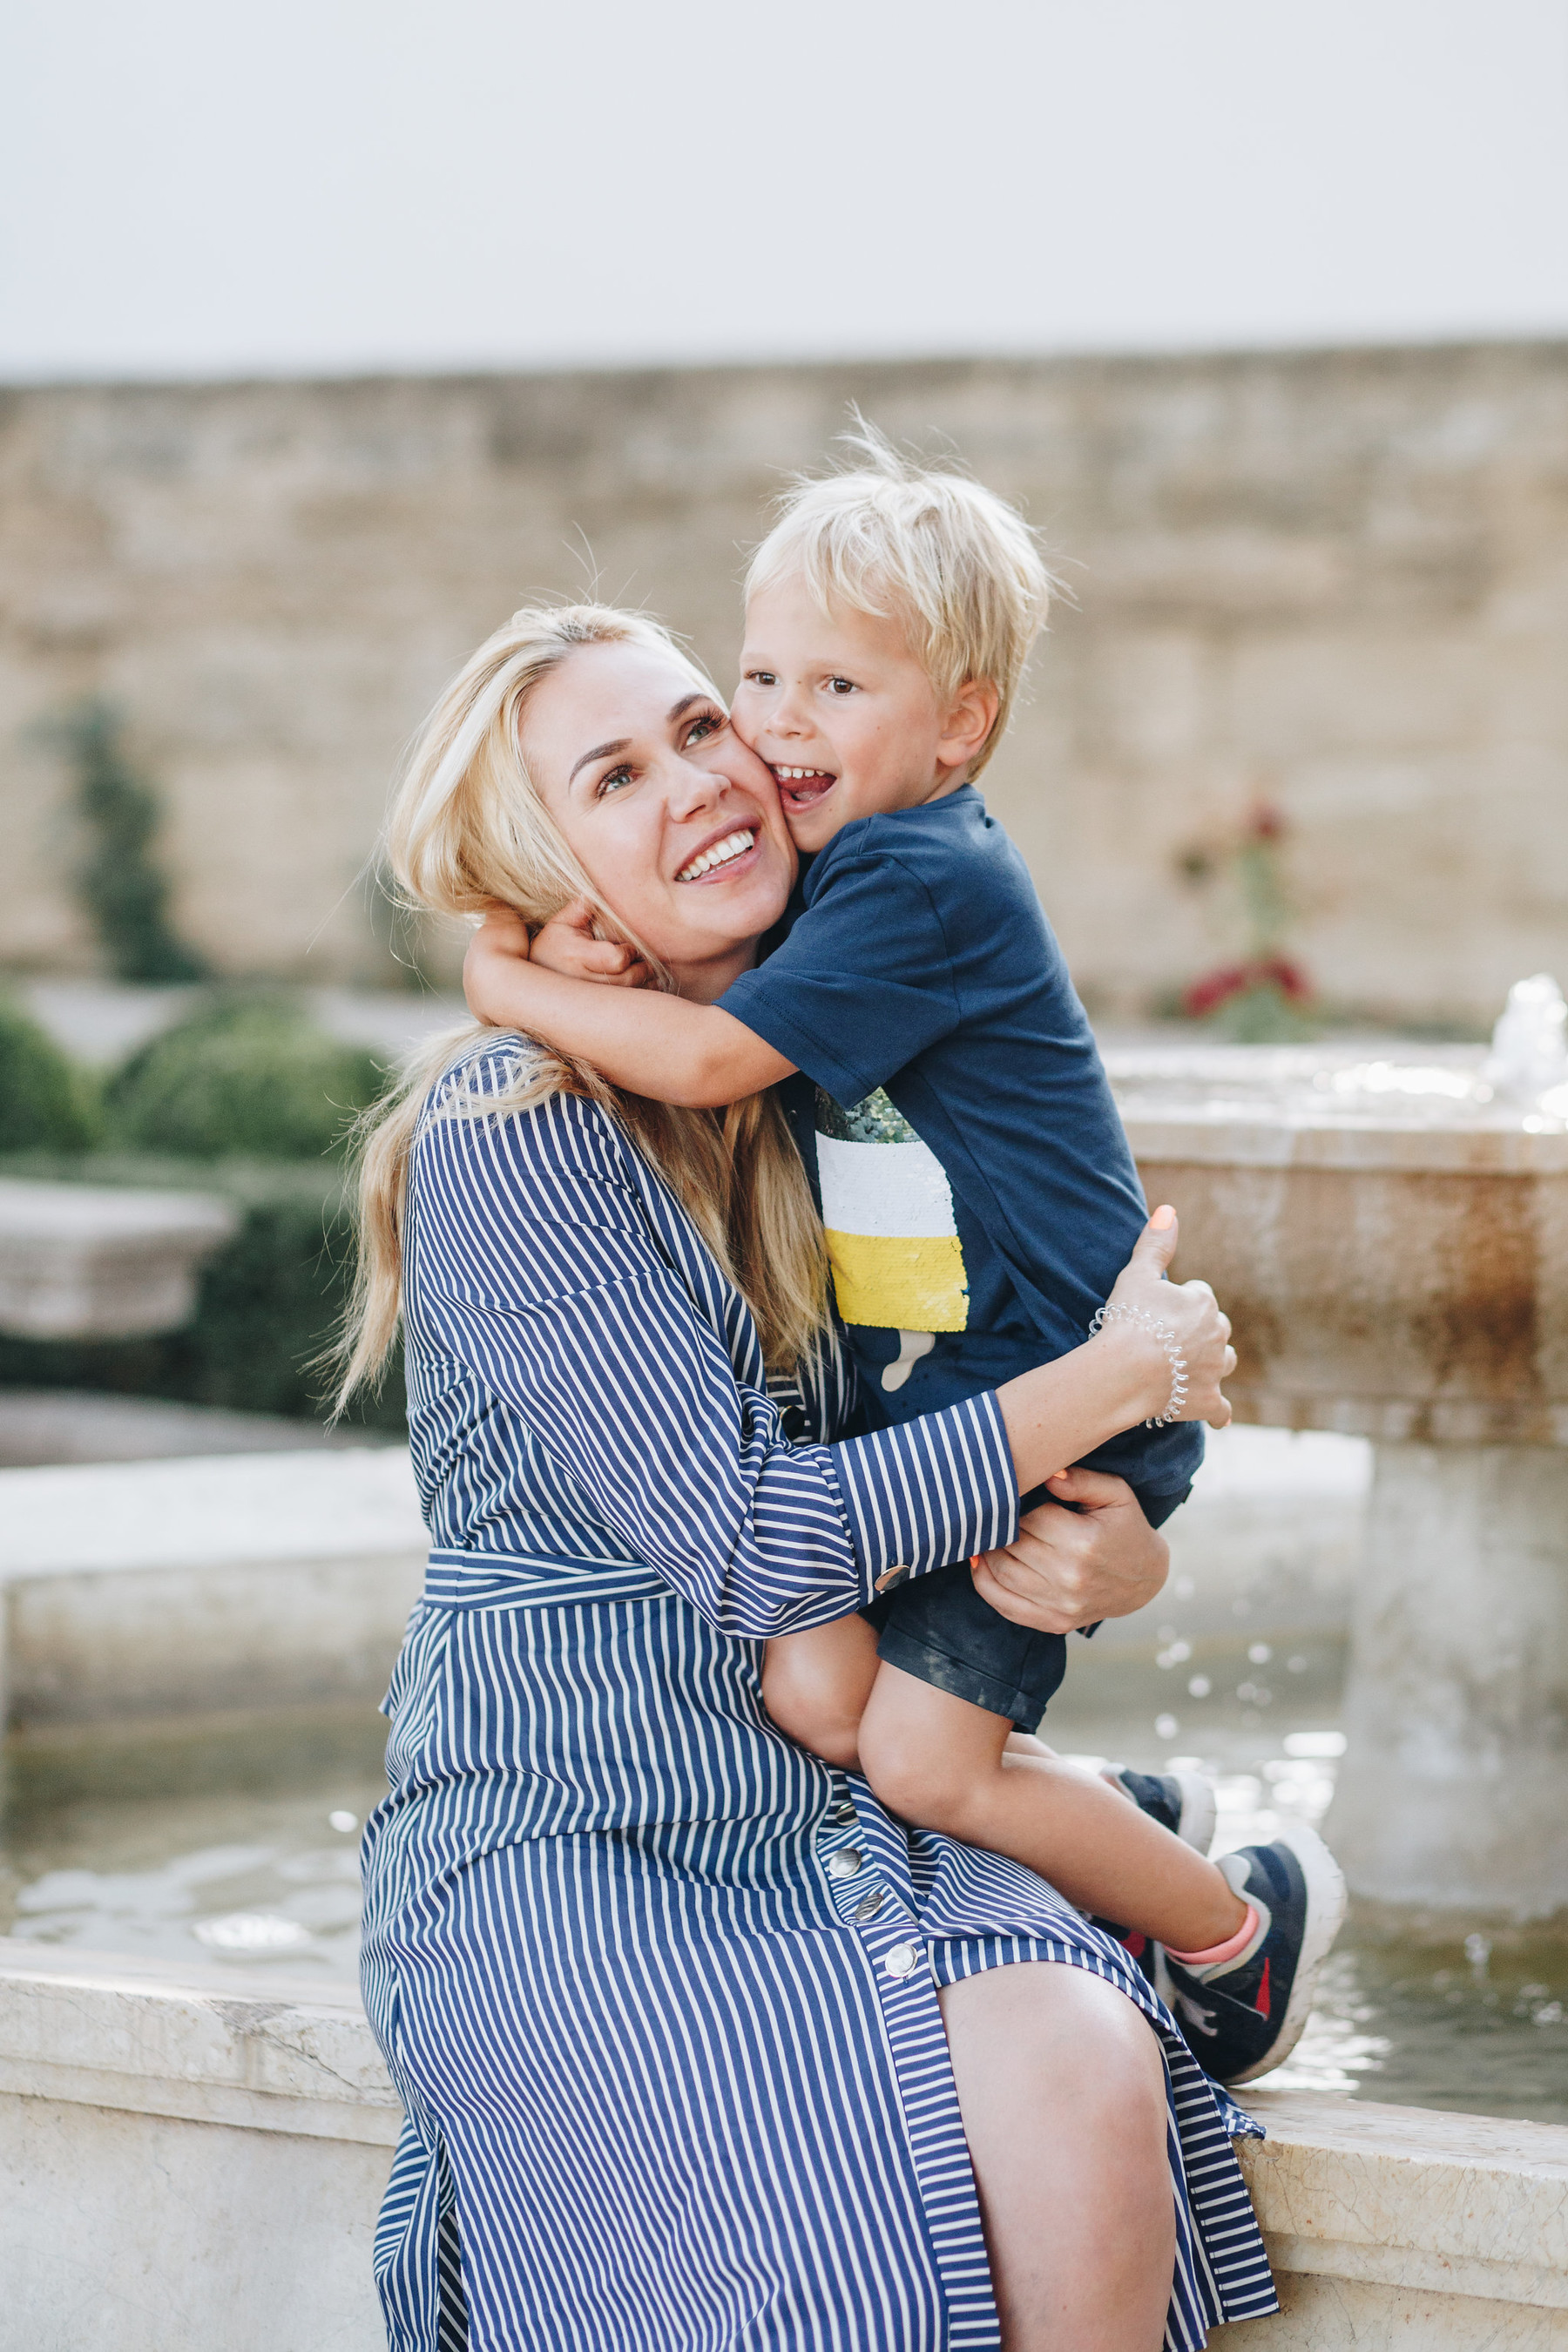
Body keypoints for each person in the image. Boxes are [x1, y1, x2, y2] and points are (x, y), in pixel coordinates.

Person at [341, 600, 1281, 2351]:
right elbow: (772, 1544)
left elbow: (969, 1404)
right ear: (539, 870)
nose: (707, 777)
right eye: (616, 775)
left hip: (835, 1789)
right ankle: (1131, 1839)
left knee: (1082, 2071)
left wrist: (1125, 1534)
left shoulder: (817, 1089)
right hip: (583, 1820)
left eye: (703, 728)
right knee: (777, 2211)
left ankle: (1124, 1850)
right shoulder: (517, 1137)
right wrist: (1114, 1381)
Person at [462, 432, 1345, 2077]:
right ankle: (1130, 1813)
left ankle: (1235, 1933)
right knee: (822, 1696)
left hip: (1047, 1389)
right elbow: (714, 1002)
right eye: (761, 679)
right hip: (957, 1403)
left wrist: (506, 982)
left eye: (838, 690)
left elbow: (720, 1057)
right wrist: (592, 945)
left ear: (960, 727)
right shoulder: (842, 887)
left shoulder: (916, 880)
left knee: (930, 1768)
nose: (781, 727)